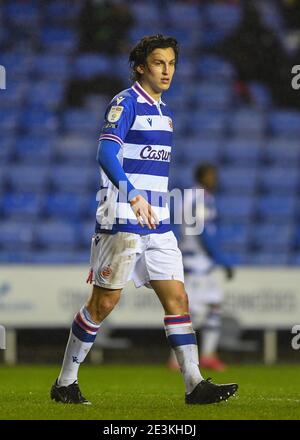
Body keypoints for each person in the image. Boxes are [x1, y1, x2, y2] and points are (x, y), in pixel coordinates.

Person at [50, 35, 238, 405]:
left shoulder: (166, 112)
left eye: (171, 64)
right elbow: (105, 154)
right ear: (141, 67)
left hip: (158, 220)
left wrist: (151, 204)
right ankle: (65, 383)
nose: (167, 70)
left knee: (178, 299)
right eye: (158, 63)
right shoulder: (126, 102)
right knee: (103, 304)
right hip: (121, 215)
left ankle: (194, 384)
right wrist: (132, 195)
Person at [168, 163, 234, 372]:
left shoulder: (188, 196)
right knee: (193, 312)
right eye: (211, 175)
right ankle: (179, 358)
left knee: (213, 305)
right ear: (203, 176)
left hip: (194, 259)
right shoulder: (202, 197)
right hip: (198, 262)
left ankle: (205, 355)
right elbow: (203, 230)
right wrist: (220, 257)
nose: (215, 179)